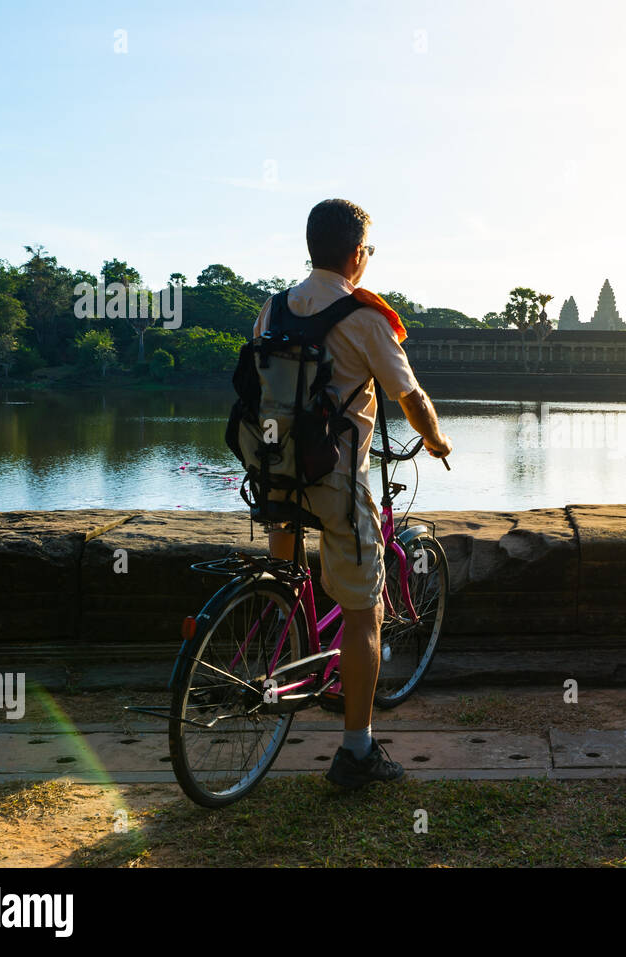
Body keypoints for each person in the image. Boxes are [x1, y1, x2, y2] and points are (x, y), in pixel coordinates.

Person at [254, 199, 453, 790]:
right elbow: (410, 398)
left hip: (273, 472)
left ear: (311, 246)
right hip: (337, 480)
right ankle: (357, 751)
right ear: (357, 254)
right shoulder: (366, 317)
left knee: (289, 575)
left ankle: (283, 639)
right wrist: (437, 442)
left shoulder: (272, 309)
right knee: (369, 610)